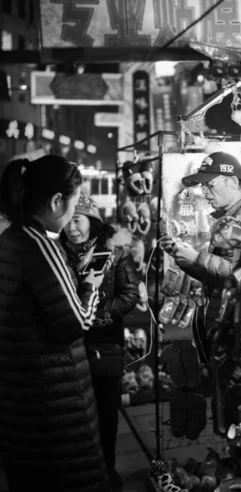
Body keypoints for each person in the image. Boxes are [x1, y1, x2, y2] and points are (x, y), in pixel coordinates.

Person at [0, 156, 111, 492]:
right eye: (74, 202)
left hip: (23, 400)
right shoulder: (41, 245)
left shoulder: (10, 241)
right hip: (55, 405)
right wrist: (91, 285)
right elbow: (76, 322)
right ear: (56, 201)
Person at [160, 151, 241, 432]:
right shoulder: (226, 221)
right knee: (228, 415)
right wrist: (188, 260)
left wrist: (196, 259)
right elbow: (221, 278)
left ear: (231, 180)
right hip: (224, 332)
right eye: (203, 187)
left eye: (210, 185)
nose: (205, 192)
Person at [60, 191, 147, 491]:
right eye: (68, 220)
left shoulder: (115, 252)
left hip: (105, 346)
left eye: (79, 219)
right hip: (70, 346)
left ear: (92, 221)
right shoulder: (58, 252)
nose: (72, 227)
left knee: (106, 413)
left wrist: (100, 316)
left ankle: (107, 470)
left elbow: (129, 294)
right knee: (75, 414)